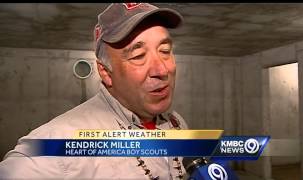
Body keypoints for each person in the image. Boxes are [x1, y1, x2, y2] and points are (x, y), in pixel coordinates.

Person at [0, 3, 188, 180]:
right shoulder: (64, 139)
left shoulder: (176, 121)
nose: (162, 70)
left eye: (165, 50)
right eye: (138, 56)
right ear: (105, 72)